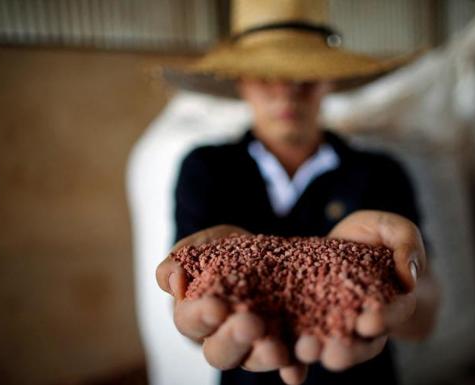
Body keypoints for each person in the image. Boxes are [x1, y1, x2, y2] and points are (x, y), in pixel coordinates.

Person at [156, 1, 440, 384]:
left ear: (329, 79)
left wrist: (401, 294)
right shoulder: (206, 168)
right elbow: (190, 304)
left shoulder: (380, 171)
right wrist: (206, 306)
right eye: (266, 74)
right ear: (240, 79)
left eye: (305, 73)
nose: (287, 91)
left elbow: (425, 312)